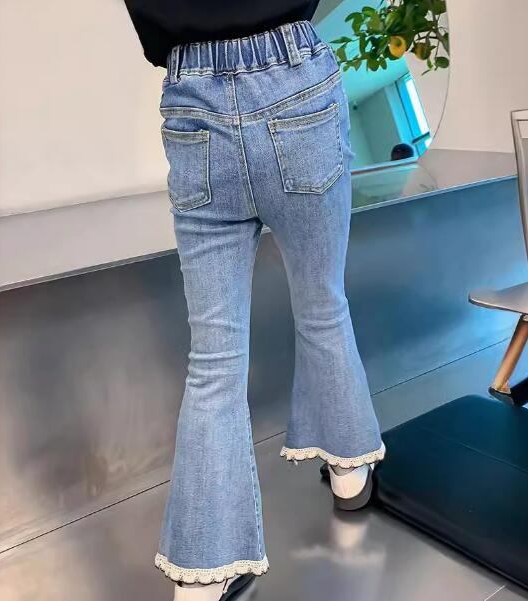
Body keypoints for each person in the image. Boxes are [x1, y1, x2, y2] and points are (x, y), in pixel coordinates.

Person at [123, 3, 385, 600]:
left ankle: (203, 577)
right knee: (323, 304)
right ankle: (349, 472)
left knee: (214, 359)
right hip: (294, 77)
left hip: (192, 92)